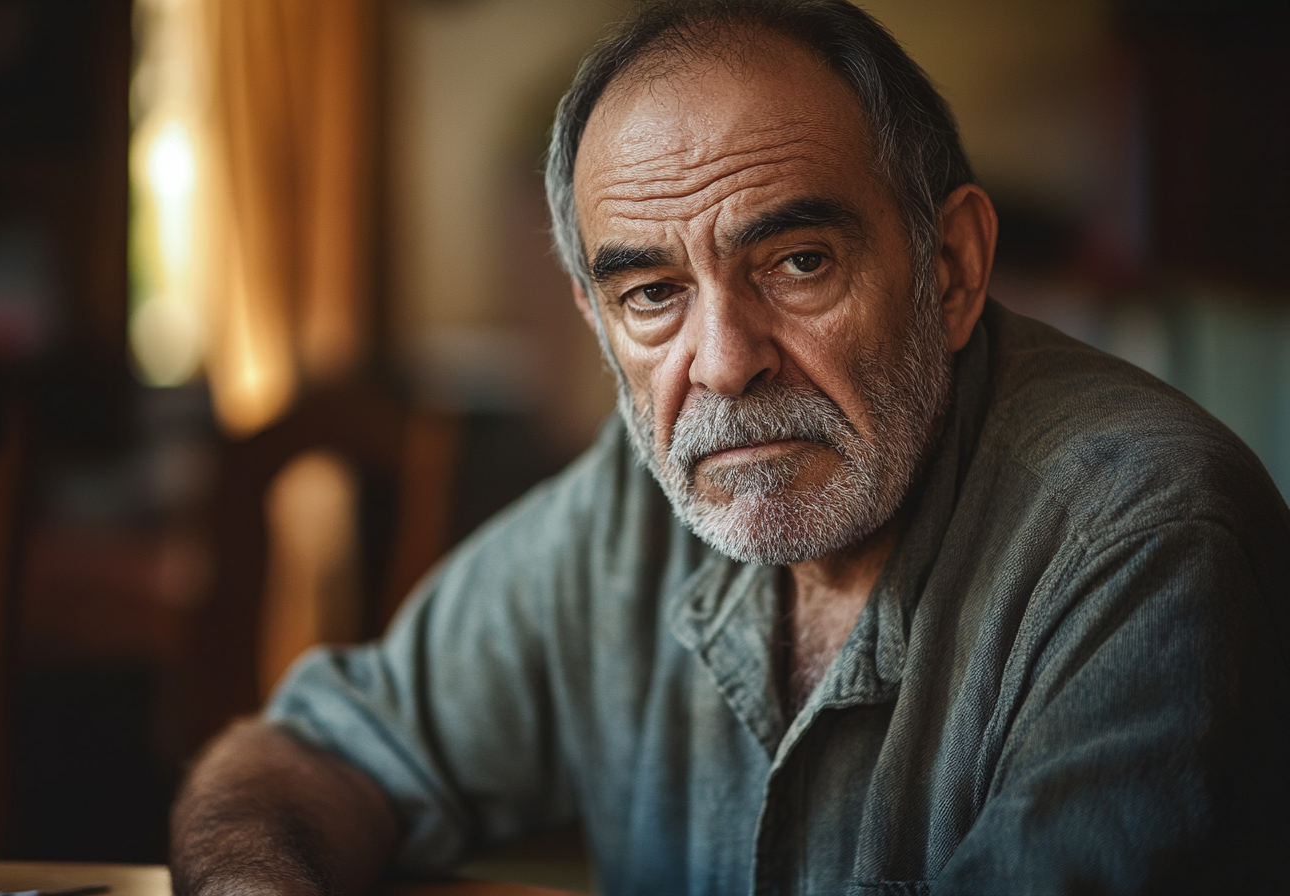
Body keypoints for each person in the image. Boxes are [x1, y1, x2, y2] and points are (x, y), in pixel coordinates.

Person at [169, 2, 1290, 893]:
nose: (722, 361)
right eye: (652, 292)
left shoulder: (1143, 537)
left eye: (799, 262)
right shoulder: (635, 493)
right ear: (596, 318)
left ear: (949, 267)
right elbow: (312, 753)